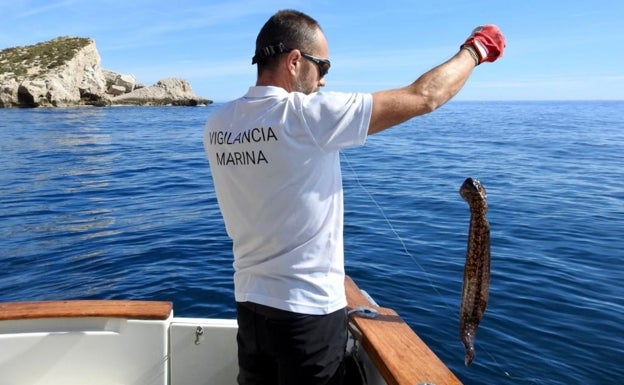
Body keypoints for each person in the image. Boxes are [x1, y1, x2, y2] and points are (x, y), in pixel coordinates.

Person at [203, 9, 505, 385]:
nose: (324, 81)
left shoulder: (219, 125)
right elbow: (425, 96)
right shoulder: (305, 116)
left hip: (250, 309)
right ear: (295, 61)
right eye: (323, 66)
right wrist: (477, 49)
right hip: (308, 318)